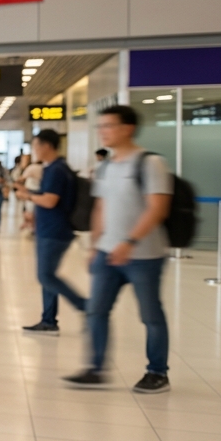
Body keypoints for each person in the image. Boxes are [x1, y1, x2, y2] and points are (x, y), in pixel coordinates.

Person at [64, 105, 173, 394]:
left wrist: (130, 242)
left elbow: (158, 208)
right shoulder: (105, 166)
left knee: (150, 315)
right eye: (100, 127)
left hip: (144, 256)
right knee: (96, 311)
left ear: (128, 128)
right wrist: (94, 245)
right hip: (107, 253)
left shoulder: (151, 163)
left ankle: (157, 372)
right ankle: (95, 368)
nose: (103, 132)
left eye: (108, 126)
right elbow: (100, 207)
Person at [18, 129, 85, 335]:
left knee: (46, 276)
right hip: (48, 228)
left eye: (36, 146)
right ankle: (48, 319)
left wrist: (28, 197)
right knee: (47, 276)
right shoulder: (53, 168)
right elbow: (47, 196)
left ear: (47, 146)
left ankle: (87, 307)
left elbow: (50, 200)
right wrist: (33, 213)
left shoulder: (56, 170)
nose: (35, 150)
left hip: (54, 231)